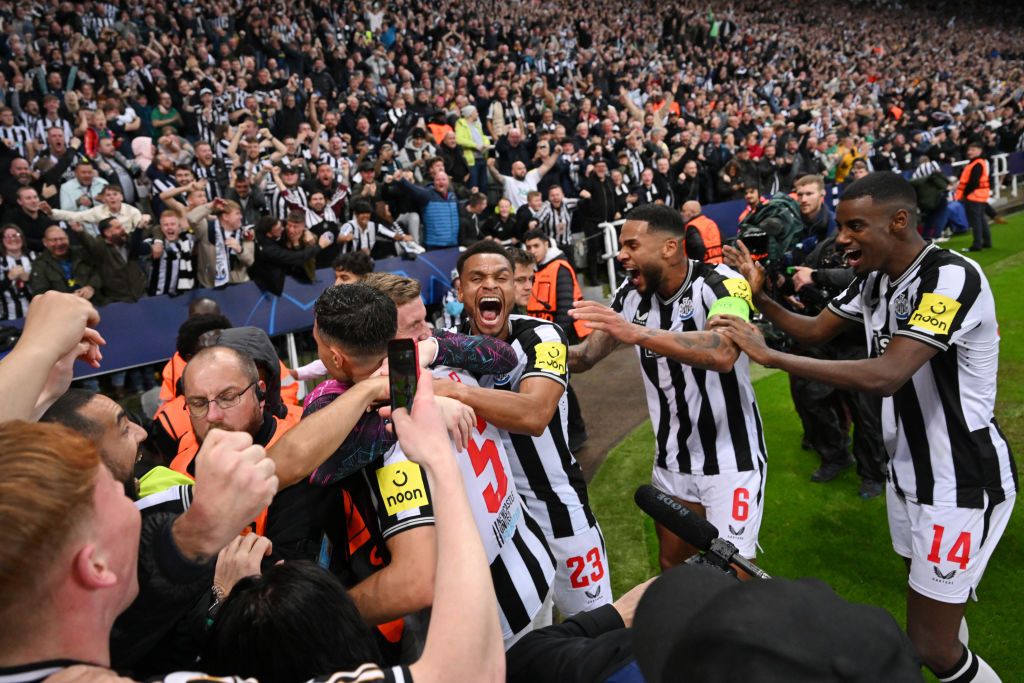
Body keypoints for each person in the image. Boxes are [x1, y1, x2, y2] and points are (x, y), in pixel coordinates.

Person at [714, 173, 1016, 682]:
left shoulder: (950, 279)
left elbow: (886, 373)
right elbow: (814, 330)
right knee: (937, 618)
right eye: (842, 225)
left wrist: (770, 356)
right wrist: (762, 299)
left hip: (960, 479)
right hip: (910, 477)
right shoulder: (875, 279)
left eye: (856, 226)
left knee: (931, 646)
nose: (844, 238)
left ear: (899, 221)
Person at [568, 204, 768, 572]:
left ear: (670, 248)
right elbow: (583, 358)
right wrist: (525, 348)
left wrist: (637, 333)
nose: (621, 255)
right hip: (672, 460)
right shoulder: (630, 296)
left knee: (734, 572)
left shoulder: (724, 282)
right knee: (672, 564)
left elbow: (724, 351)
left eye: (631, 245)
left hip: (730, 459)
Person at [437, 241, 611, 619]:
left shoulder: (543, 336)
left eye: (502, 277)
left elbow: (535, 414)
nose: (490, 286)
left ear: (515, 289)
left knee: (599, 634)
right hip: (502, 530)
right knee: (534, 649)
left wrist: (453, 391)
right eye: (477, 278)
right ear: (460, 290)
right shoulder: (445, 344)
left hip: (560, 514)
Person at [523, 230, 591, 452]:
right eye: (529, 247)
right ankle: (569, 432)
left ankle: (576, 432)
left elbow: (565, 307)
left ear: (546, 245)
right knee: (557, 384)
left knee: (561, 385)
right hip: (544, 334)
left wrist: (554, 338)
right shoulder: (537, 270)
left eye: (536, 246)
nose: (532, 251)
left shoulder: (560, 267)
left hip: (560, 334)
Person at [69, 216, 150, 304]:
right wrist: (80, 231)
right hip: (118, 299)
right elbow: (89, 243)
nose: (123, 229)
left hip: (141, 294)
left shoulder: (128, 241)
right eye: (118, 228)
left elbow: (143, 243)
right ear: (108, 233)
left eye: (121, 226)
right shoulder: (101, 247)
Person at [29, 225, 102, 302]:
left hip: (94, 302)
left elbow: (98, 270)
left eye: (62, 239)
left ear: (68, 238)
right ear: (45, 242)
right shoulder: (39, 265)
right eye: (54, 240)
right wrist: (67, 297)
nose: (59, 243)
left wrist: (91, 287)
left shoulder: (81, 253)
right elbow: (40, 293)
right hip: (63, 308)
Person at [955, 142, 991, 253]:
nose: (969, 152)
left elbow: (973, 182)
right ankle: (987, 242)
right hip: (980, 195)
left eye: (973, 150)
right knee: (981, 220)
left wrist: (965, 194)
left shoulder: (976, 164)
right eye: (969, 150)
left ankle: (977, 244)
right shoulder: (979, 162)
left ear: (980, 151)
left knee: (976, 221)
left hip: (974, 196)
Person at [0, 224, 34, 319]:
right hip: (7, 317)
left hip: (36, 315)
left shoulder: (34, 257)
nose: (12, 239)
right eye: (7, 236)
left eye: (16, 235)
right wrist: (8, 279)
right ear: (2, 241)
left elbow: (45, 288)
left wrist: (29, 280)